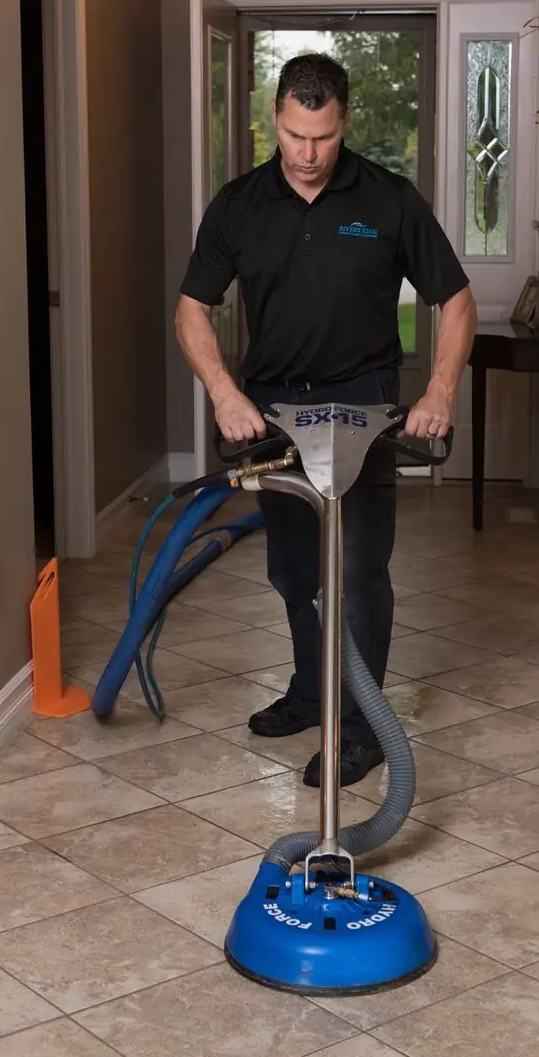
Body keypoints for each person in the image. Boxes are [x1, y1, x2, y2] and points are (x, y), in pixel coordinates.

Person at [176, 53, 476, 788]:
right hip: (274, 409)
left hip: (364, 403)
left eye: (322, 138)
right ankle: (311, 693)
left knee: (360, 571)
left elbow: (455, 300)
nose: (307, 156)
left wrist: (437, 391)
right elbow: (191, 310)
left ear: (344, 123)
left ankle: (363, 729)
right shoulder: (239, 204)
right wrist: (223, 393)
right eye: (292, 135)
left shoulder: (387, 200)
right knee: (292, 569)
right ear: (274, 119)